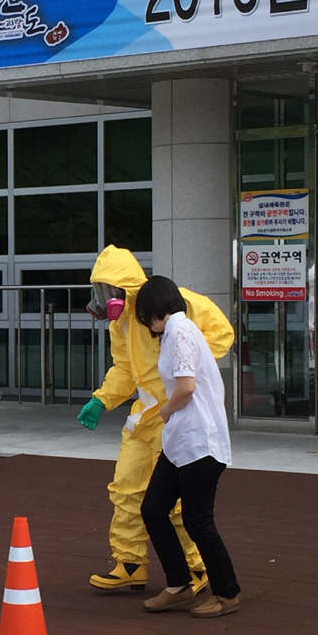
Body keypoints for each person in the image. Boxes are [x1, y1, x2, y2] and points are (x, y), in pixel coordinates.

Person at [78, 246, 234, 593]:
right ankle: (130, 562)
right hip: (145, 416)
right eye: (100, 291)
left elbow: (221, 332)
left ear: (125, 287)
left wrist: (186, 360)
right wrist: (101, 399)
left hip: (176, 413)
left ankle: (196, 569)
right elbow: (124, 369)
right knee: (126, 490)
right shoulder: (119, 325)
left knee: (177, 503)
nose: (105, 300)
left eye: (108, 290)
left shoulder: (174, 303)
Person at [133, 276, 240, 617]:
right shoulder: (179, 332)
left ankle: (226, 593)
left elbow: (186, 388)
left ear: (153, 309)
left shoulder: (179, 332)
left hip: (198, 440)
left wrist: (164, 411)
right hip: (184, 441)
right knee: (153, 509)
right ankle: (178, 585)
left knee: (198, 521)